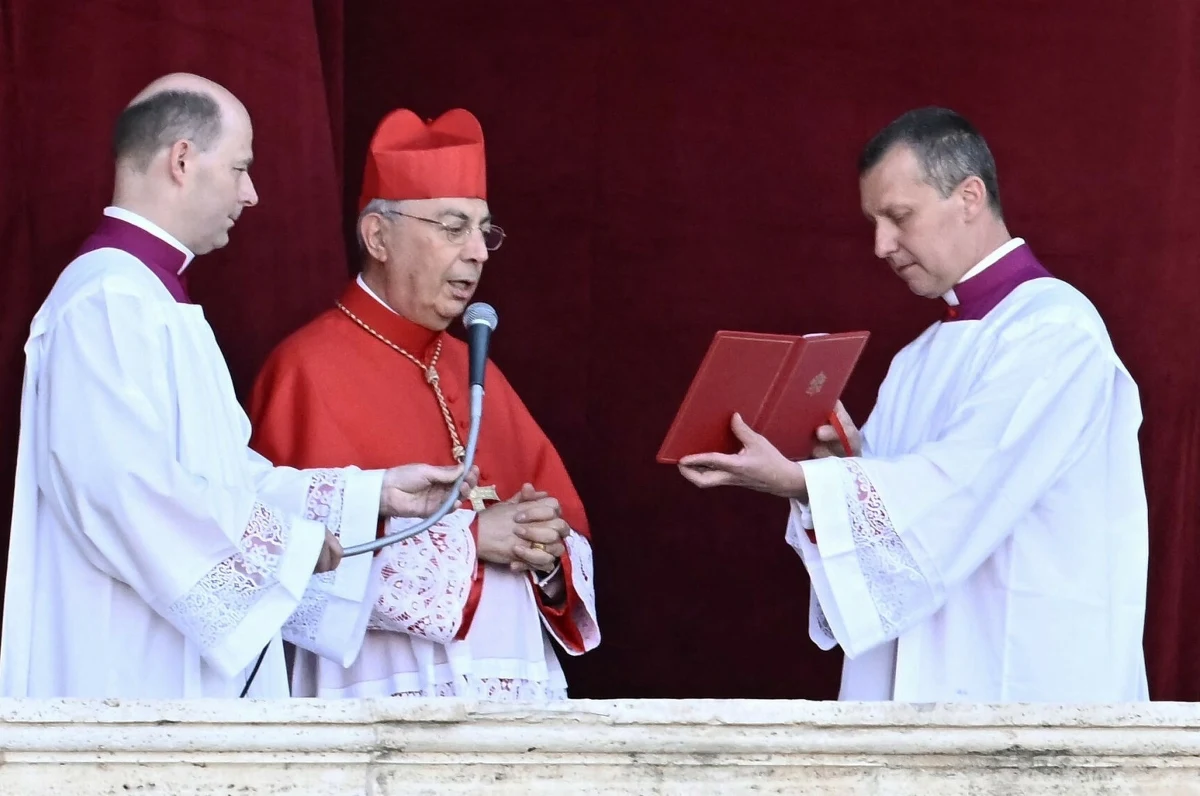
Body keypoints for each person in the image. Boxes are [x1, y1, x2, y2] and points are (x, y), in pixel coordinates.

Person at [0, 74, 472, 698]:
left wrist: (372, 494)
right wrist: (290, 547)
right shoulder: (108, 299)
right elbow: (125, 492)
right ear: (182, 160)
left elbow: (225, 481)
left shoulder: (151, 299)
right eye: (240, 168)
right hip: (125, 669)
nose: (251, 194)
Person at [678, 106, 1149, 702]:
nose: (881, 245)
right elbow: (905, 518)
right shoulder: (920, 355)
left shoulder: (1055, 331)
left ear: (970, 197)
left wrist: (805, 485)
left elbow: (962, 488)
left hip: (1020, 671)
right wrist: (839, 463)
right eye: (874, 222)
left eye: (899, 217)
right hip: (926, 666)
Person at [248, 107, 600, 700]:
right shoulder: (304, 370)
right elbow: (286, 564)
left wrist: (543, 551)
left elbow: (566, 530)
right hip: (375, 694)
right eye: (453, 226)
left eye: (484, 230)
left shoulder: (474, 367)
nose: (479, 252)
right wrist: (470, 540)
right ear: (378, 237)